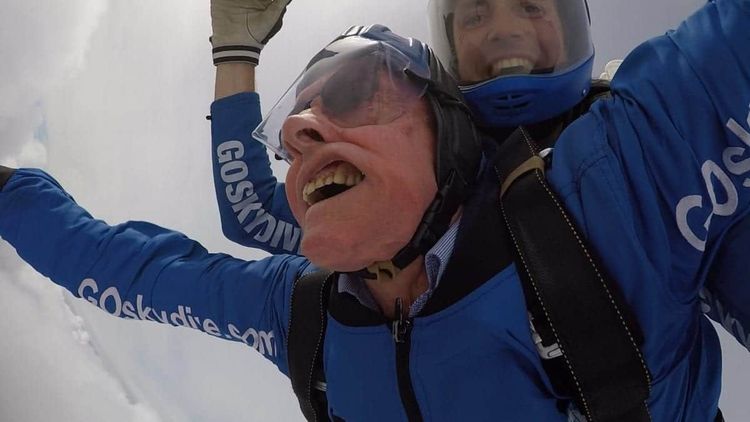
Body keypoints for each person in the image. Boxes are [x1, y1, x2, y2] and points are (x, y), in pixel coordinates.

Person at [1, 5, 749, 422]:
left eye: (358, 92)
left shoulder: (609, 193)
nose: (299, 130)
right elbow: (126, 265)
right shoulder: (301, 312)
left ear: (449, 131)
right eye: (295, 123)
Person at [209, 0, 750, 354]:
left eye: (530, 6)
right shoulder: (424, 177)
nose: (504, 29)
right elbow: (254, 213)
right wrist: (236, 49)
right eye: (474, 17)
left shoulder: (647, 134)